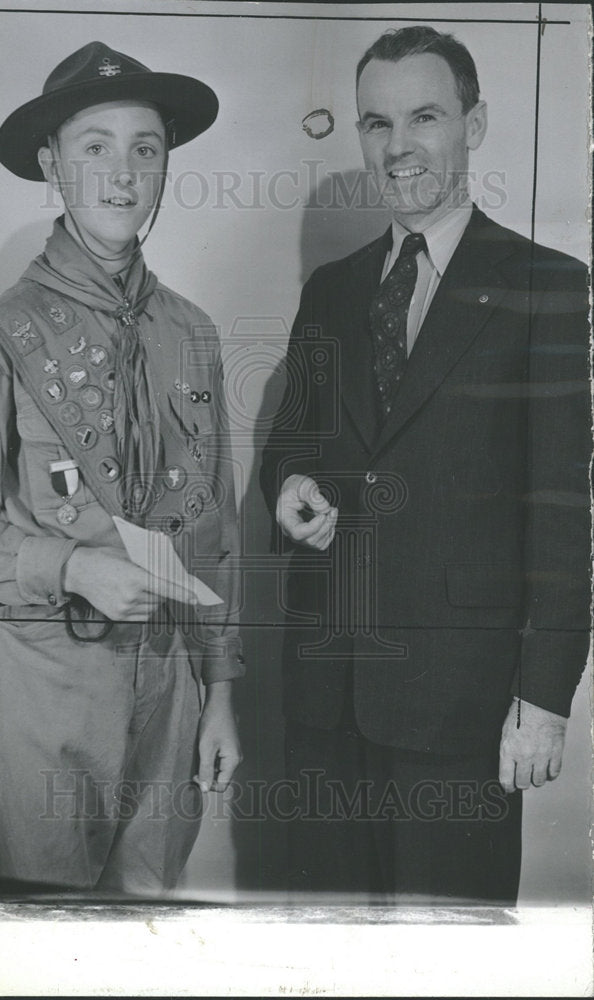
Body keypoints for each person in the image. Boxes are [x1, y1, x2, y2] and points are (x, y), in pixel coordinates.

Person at [260, 25, 590, 904]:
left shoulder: (548, 287)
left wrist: (545, 701)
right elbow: (288, 447)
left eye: (425, 117)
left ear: (473, 125)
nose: (398, 146)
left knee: (454, 967)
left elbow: (564, 510)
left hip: (464, 712)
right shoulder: (330, 289)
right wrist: (288, 487)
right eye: (376, 123)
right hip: (326, 702)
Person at [0, 41, 244, 895]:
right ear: (51, 166)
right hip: (43, 690)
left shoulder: (193, 334)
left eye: (145, 148)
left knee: (140, 945)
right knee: (36, 946)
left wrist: (219, 691)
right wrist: (72, 565)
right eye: (94, 147)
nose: (122, 174)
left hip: (168, 696)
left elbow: (215, 533)